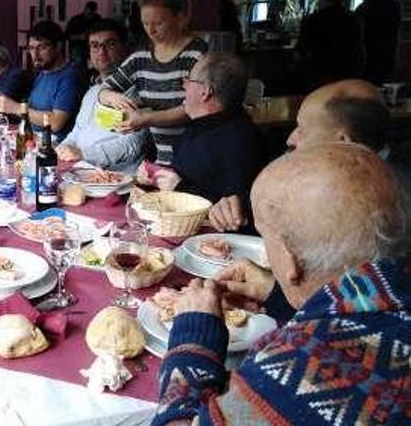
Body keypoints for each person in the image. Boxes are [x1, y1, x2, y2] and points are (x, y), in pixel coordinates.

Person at [152, 142, 410, 425]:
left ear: (289, 261)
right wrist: (277, 293)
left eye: (265, 236)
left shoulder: (312, 367)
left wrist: (193, 338)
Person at [210, 79, 390, 231]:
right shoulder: (328, 171)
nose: (290, 139)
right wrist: (239, 209)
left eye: (302, 129)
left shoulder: (380, 210)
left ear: (343, 142)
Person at [136, 53, 266, 226]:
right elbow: (189, 176)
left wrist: (180, 188)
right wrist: (156, 176)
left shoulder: (240, 141)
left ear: (205, 92)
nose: (184, 86)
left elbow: (235, 216)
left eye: (188, 80)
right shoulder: (200, 125)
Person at [98, 0, 209, 165]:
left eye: (158, 23)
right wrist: (113, 97)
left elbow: (194, 108)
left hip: (196, 155)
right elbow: (103, 91)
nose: (151, 30)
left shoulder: (196, 55)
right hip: (163, 158)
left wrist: (147, 118)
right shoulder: (140, 58)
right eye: (145, 24)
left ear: (179, 19)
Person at [56, 19, 146, 171]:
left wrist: (84, 154)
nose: (101, 51)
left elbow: (132, 145)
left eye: (110, 44)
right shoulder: (92, 92)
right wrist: (63, 148)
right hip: (79, 171)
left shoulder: (139, 93)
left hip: (115, 180)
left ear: (125, 48)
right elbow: (77, 132)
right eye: (95, 46)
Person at [0, 21, 83, 143]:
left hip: (53, 147)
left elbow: (56, 122)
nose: (35, 54)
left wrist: (16, 108)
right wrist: (3, 102)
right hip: (31, 138)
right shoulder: (42, 72)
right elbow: (32, 111)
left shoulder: (70, 77)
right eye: (31, 48)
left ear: (58, 46)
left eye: (42, 47)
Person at [296, 0, 363, 91]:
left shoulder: (314, 19)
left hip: (321, 72)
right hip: (349, 72)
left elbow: (302, 48)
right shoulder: (353, 18)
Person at [355, 0, 401, 84]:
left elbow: (359, 36)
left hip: (369, 55)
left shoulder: (363, 9)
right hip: (388, 52)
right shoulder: (393, 5)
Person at [65, 0, 102, 67]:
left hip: (93, 46)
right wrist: (80, 37)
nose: (89, 14)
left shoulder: (97, 20)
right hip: (78, 47)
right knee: (78, 60)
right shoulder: (76, 20)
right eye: (88, 11)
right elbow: (67, 35)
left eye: (92, 13)